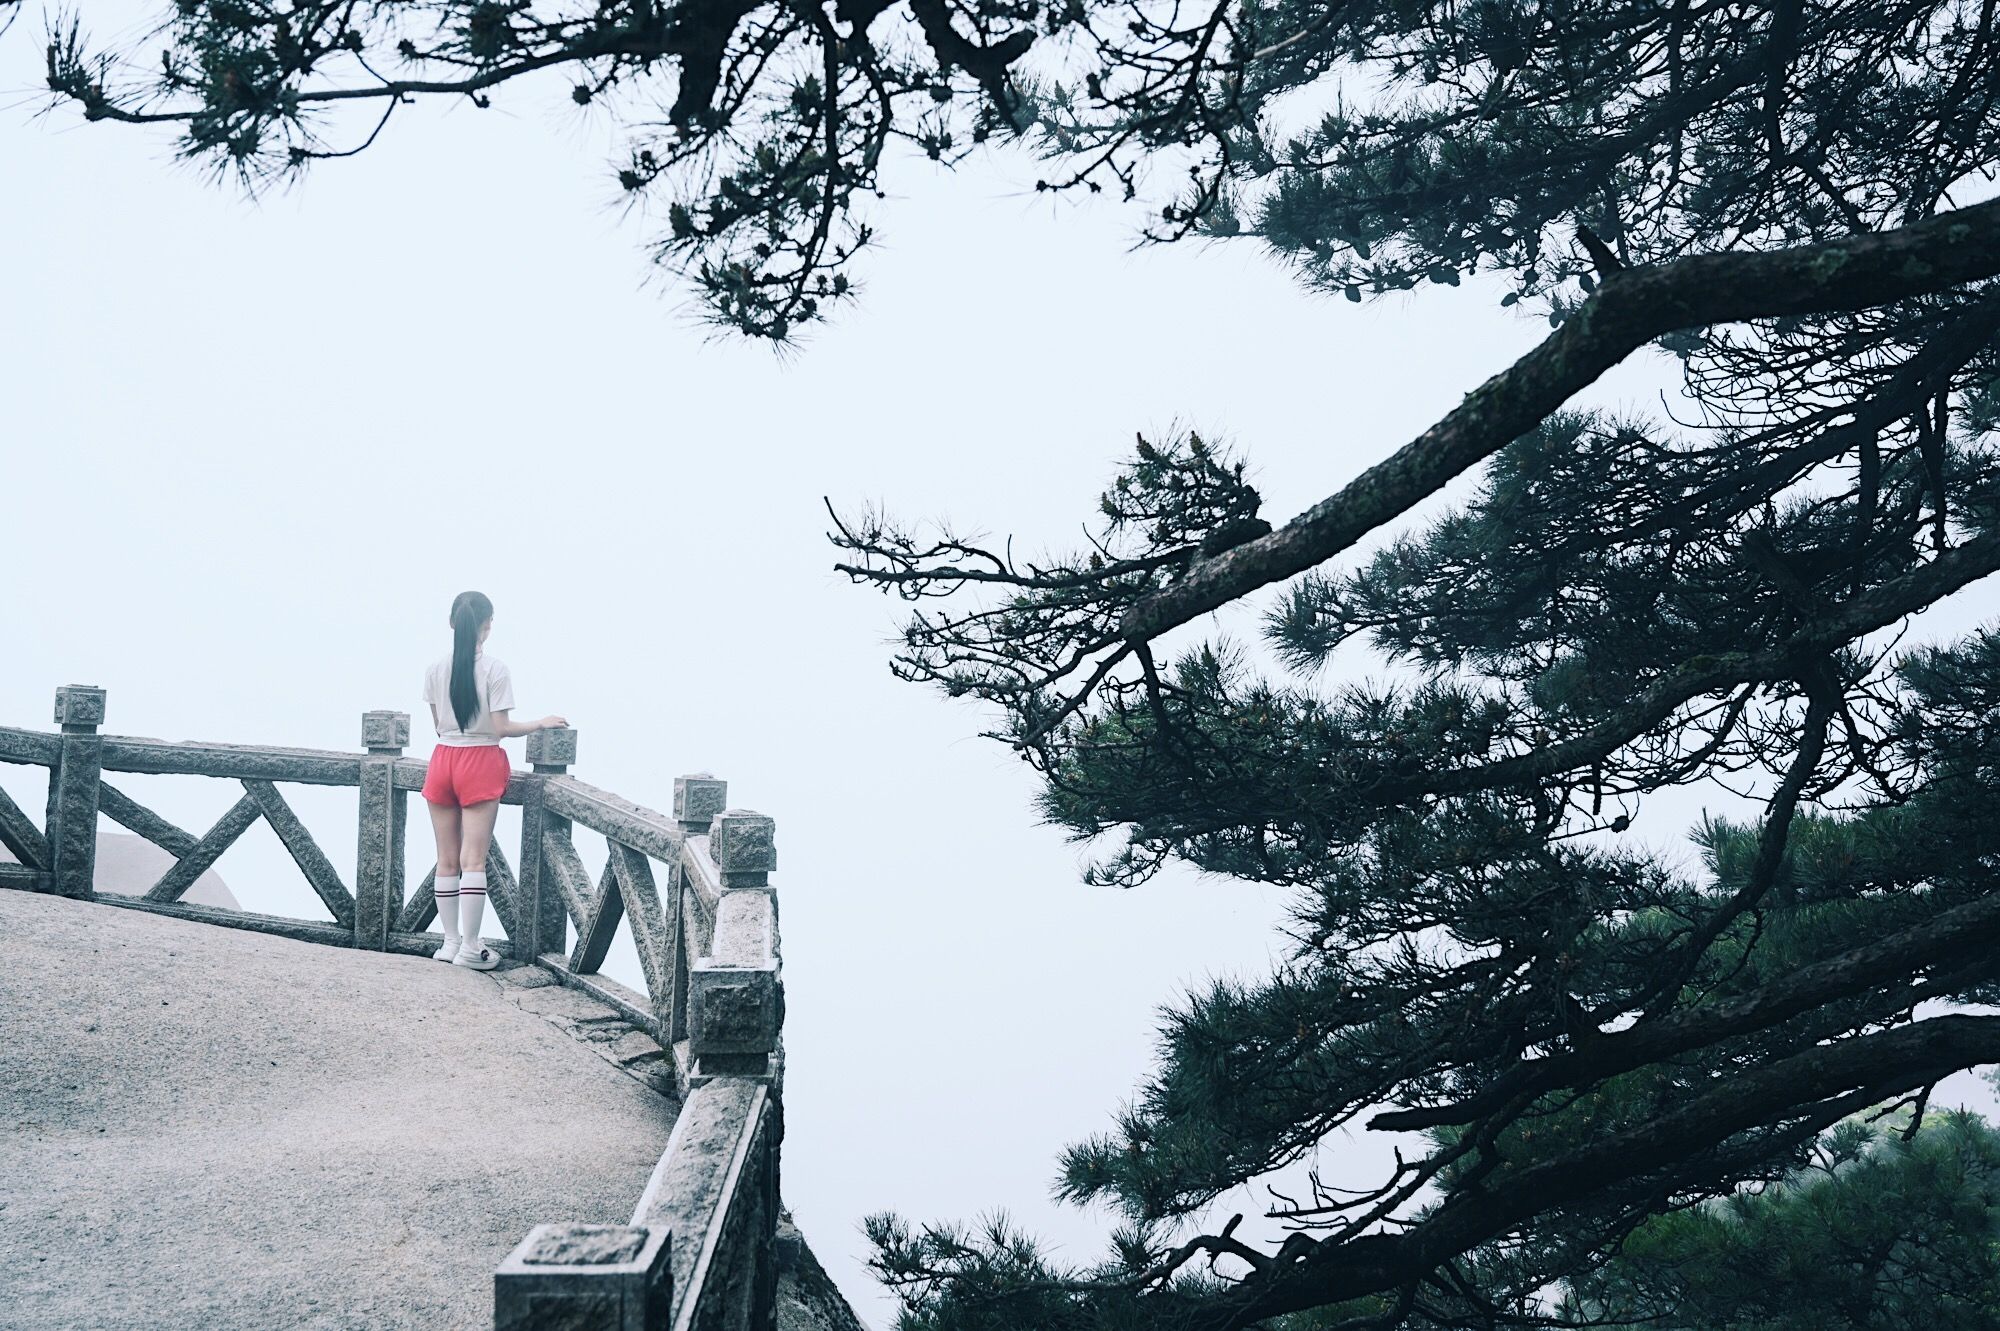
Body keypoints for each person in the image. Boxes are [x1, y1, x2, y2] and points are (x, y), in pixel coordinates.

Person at [421, 591, 566, 970]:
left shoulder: (435, 668)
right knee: (473, 859)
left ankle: (450, 943)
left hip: (443, 760)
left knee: (446, 859)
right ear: (487, 626)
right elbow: (501, 728)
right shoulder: (495, 670)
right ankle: (471, 947)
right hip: (480, 759)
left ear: (452, 623)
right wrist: (540, 722)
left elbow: (438, 725)